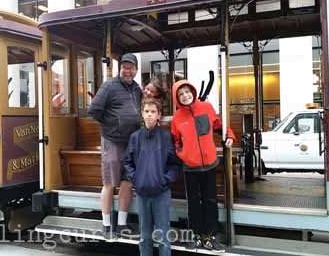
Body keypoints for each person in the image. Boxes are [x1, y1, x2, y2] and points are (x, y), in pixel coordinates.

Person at [170, 80, 235, 252]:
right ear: (177, 98)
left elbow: (220, 126)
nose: (185, 96)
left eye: (187, 91)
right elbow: (176, 141)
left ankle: (211, 237)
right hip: (190, 168)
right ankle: (196, 236)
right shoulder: (177, 118)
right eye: (180, 94)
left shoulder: (206, 107)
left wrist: (229, 135)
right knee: (193, 202)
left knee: (210, 201)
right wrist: (183, 155)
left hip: (209, 165)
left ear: (193, 91)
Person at [88, 53, 142, 239]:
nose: (128, 70)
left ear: (136, 69)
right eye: (125, 67)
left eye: (131, 67)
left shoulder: (137, 89)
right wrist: (112, 123)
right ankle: (106, 226)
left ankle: (121, 225)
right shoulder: (109, 85)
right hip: (112, 141)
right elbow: (93, 110)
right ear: (120, 68)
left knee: (127, 182)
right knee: (110, 183)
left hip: (131, 142)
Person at [124, 98, 180, 256]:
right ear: (142, 114)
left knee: (163, 237)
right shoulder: (135, 137)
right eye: (146, 111)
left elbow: (175, 164)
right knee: (144, 237)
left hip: (161, 193)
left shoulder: (166, 137)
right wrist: (136, 179)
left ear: (159, 115)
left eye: (153, 112)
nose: (149, 115)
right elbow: (128, 162)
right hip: (142, 194)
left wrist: (165, 180)